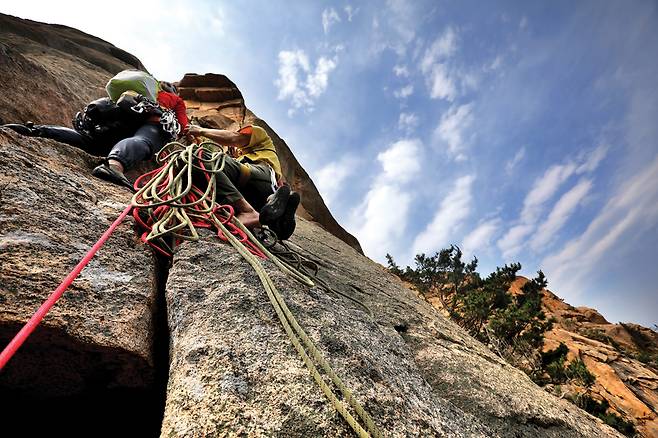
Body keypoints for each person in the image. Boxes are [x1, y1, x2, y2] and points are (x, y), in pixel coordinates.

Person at [188, 124, 300, 240]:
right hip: (257, 196)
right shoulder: (240, 158)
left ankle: (246, 211)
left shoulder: (260, 135)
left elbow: (234, 138)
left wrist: (200, 130)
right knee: (199, 167)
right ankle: (276, 220)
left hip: (259, 174)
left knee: (197, 155)